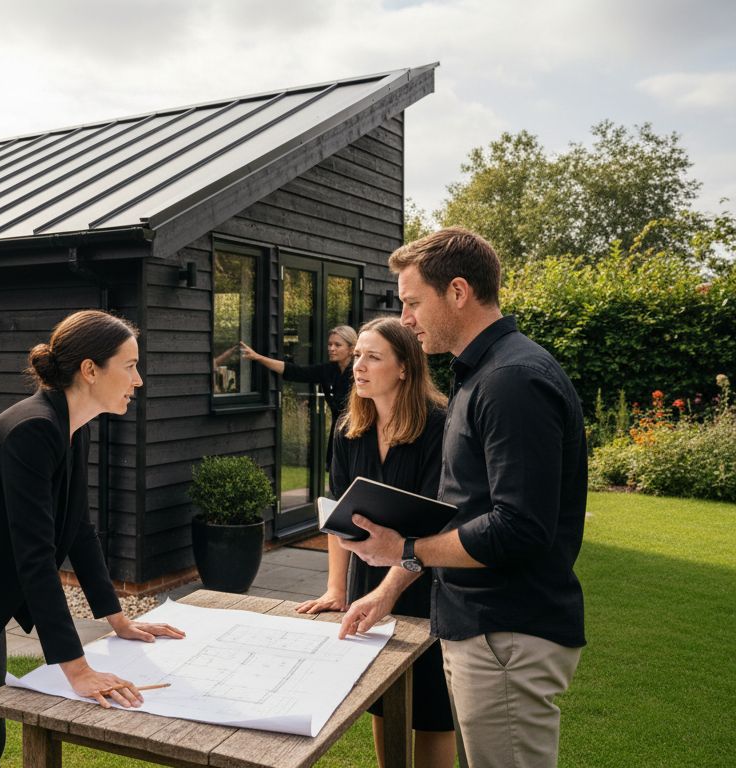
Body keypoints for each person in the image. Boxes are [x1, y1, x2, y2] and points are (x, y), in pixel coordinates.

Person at [0, 309, 185, 768]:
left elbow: (78, 528)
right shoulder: (33, 429)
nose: (137, 380)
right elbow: (36, 558)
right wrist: (77, 670)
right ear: (90, 370)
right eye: (129, 366)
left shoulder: (71, 428)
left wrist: (118, 619)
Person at [338, 228, 587, 768]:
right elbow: (457, 515)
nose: (405, 319)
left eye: (412, 302)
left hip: (506, 633)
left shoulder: (511, 381)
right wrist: (388, 590)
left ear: (457, 291)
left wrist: (406, 549)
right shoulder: (482, 375)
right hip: (482, 630)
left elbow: (519, 527)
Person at [296, 317, 455, 768]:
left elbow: (435, 524)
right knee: (383, 701)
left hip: (427, 581)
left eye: (372, 357)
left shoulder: (439, 427)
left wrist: (389, 586)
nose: (358, 367)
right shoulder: (350, 428)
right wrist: (336, 589)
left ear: (404, 368)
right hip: (367, 582)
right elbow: (338, 518)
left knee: (432, 709)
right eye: (357, 356)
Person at [240, 325, 357, 433]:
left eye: (337, 345)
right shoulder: (328, 370)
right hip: (338, 432)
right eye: (330, 344)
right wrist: (257, 357)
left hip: (357, 431)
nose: (331, 348)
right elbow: (295, 371)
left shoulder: (359, 373)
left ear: (351, 349)